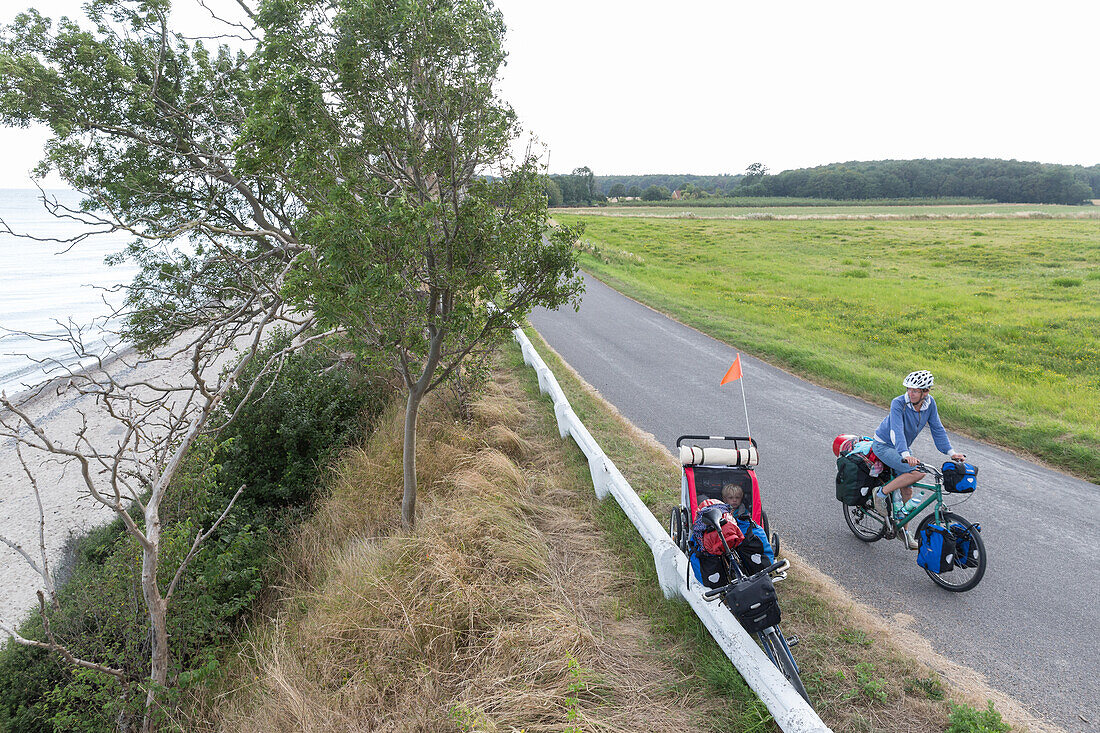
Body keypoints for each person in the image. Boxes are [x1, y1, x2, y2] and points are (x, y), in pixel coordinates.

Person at [872, 370, 966, 549]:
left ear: (926, 392)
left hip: (903, 449)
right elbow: (896, 431)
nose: (910, 393)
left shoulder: (930, 404)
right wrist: (906, 455)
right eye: (909, 389)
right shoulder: (899, 403)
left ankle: (903, 531)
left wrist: (951, 452)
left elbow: (937, 429)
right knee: (917, 473)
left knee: (907, 490)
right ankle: (880, 494)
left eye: (915, 391)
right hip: (884, 445)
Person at [720, 483, 775, 573]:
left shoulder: (743, 510)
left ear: (741, 499)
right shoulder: (722, 509)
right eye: (731, 498)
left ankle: (762, 559)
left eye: (737, 498)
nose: (734, 500)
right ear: (724, 499)